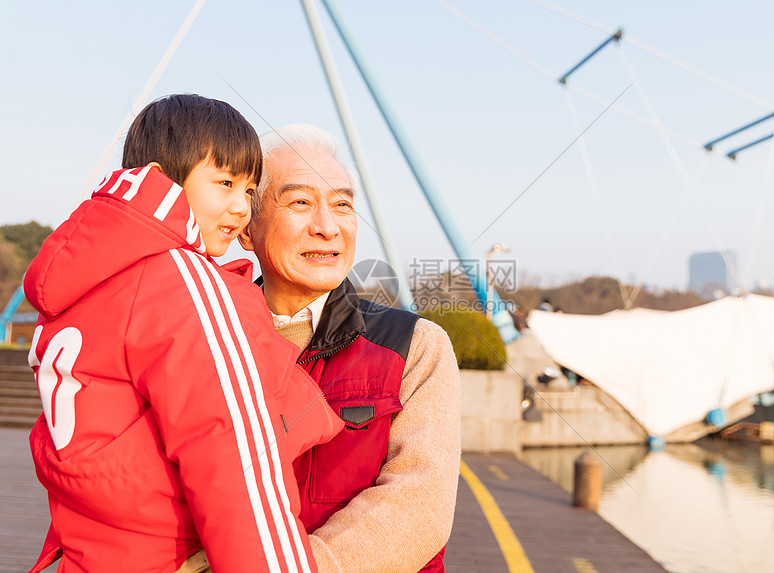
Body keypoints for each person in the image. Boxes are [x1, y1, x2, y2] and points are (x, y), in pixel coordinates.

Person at [24, 95, 342, 573]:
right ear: (158, 178)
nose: (241, 208)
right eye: (225, 183)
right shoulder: (182, 280)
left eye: (249, 190)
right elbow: (237, 462)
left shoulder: (88, 280)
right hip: (170, 555)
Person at [239, 124, 461, 572]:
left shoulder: (414, 347)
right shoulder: (208, 339)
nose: (327, 227)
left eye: (342, 205)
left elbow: (419, 505)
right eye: (300, 202)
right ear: (247, 228)